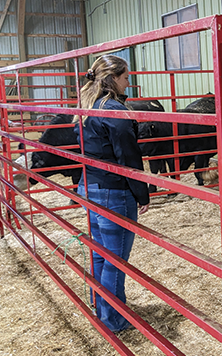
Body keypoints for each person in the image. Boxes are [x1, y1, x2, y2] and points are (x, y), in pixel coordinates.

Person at [74, 55, 149, 333]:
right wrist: (143, 194)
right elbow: (129, 158)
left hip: (90, 186)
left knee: (100, 253)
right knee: (115, 260)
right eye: (126, 76)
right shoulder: (114, 111)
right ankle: (114, 319)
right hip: (114, 192)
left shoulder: (87, 105)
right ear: (113, 78)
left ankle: (101, 306)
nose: (129, 81)